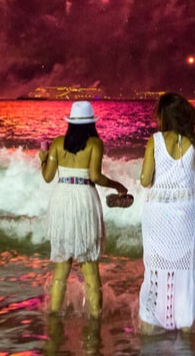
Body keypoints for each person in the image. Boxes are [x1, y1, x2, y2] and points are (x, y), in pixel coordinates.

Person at [38, 100, 128, 318]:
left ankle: (54, 315)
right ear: (91, 124)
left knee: (62, 267)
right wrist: (118, 186)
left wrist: (43, 159)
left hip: (62, 198)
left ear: (70, 122)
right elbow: (95, 176)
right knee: (90, 267)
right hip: (84, 198)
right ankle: (95, 318)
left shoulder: (58, 143)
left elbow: (48, 177)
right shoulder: (95, 144)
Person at [138, 92, 195, 331]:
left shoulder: (155, 140)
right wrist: (186, 206)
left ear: (164, 115)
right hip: (186, 212)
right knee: (185, 270)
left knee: (154, 267)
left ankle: (150, 324)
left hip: (157, 213)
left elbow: (145, 180)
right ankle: (185, 325)